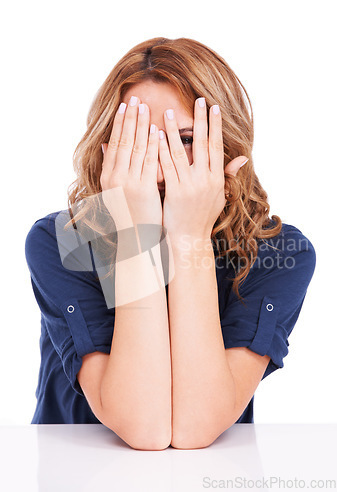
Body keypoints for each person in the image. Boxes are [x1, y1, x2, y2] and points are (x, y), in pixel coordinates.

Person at [25, 36, 316, 450]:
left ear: (226, 145)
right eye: (139, 138)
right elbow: (143, 428)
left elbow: (196, 428)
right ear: (108, 147)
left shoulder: (275, 252)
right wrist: (134, 232)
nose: (162, 165)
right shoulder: (61, 241)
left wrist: (188, 237)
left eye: (183, 139)